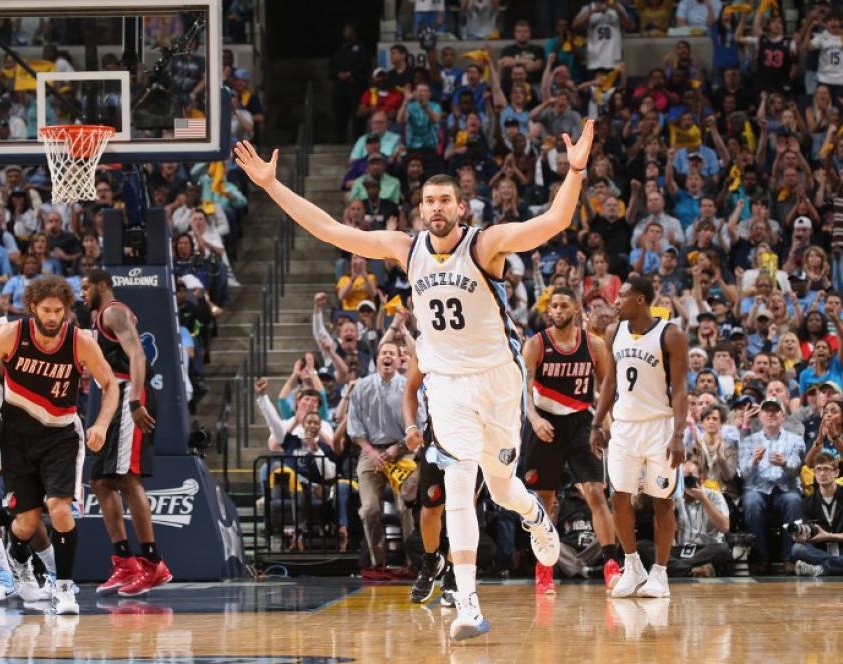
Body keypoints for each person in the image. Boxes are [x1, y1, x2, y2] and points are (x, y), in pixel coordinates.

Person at [233, 120, 594, 642]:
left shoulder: (485, 244)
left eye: (446, 199)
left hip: (495, 379)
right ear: (420, 209)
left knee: (501, 486)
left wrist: (576, 170)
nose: (437, 208)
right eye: (429, 201)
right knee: (458, 482)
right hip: (445, 382)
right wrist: (271, 185)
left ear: (461, 207)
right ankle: (467, 602)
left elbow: (555, 221)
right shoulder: (406, 247)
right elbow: (331, 231)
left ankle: (536, 515)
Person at [0, 276, 120, 615]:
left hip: (61, 435)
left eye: (59, 311)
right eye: (46, 310)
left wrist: (100, 424)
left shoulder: (79, 341)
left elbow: (110, 383)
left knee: (59, 509)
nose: (53, 317)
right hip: (17, 438)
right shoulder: (12, 334)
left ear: (67, 311)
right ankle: (19, 563)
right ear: (32, 309)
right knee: (24, 523)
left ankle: (64, 589)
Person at [590, 276, 689, 599]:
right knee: (619, 495)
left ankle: (660, 573)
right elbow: (609, 383)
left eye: (623, 296)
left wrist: (678, 434)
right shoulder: (613, 333)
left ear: (641, 301)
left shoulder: (670, 335)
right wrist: (596, 423)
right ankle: (632, 567)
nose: (616, 302)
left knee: (663, 500)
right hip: (624, 427)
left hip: (659, 426)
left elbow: (681, 389)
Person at [522, 286, 618, 594]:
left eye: (564, 305)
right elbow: (521, 390)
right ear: (548, 311)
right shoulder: (536, 344)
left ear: (577, 310)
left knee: (596, 495)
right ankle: (544, 569)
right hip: (545, 423)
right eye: (554, 306)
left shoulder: (594, 345)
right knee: (545, 503)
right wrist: (534, 420)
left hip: (580, 422)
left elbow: (605, 389)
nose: (558, 310)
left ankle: (611, 566)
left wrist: (606, 424)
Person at [81, 269, 171, 597]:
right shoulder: (97, 319)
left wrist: (134, 398)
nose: (82, 293)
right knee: (101, 480)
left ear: (102, 286)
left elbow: (136, 353)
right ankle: (124, 560)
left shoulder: (114, 311)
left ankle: (152, 563)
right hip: (113, 396)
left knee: (127, 479)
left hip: (128, 394)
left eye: (86, 286)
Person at [0, 306, 58, 603]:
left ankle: (6, 579)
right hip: (21, 442)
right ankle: (55, 578)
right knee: (25, 514)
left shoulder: (10, 360)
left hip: (27, 443)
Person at [346, 341, 414, 577]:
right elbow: (354, 428)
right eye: (383, 352)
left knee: (406, 507)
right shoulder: (362, 387)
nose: (387, 356)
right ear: (377, 358)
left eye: (392, 353)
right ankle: (377, 560)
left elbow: (420, 424)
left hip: (403, 451)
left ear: (398, 360)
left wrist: (398, 447)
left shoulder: (408, 387)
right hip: (370, 451)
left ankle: (413, 561)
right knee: (369, 509)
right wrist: (369, 450)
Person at [404, 352, 457, 606]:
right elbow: (410, 389)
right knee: (430, 510)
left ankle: (455, 574)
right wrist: (410, 426)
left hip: (472, 435)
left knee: (462, 508)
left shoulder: (476, 341)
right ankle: (430, 561)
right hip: (436, 435)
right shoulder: (426, 346)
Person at [739, 398, 806, 573]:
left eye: (775, 411)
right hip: (757, 488)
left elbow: (797, 469)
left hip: (786, 487)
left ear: (783, 416)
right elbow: (744, 475)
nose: (770, 414)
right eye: (766, 411)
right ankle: (761, 557)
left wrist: (785, 463)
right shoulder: (749, 441)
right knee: (751, 501)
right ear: (759, 416)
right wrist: (754, 462)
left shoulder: (796, 440)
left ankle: (789, 557)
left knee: (793, 500)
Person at [638, 460, 731, 577]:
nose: (687, 483)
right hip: (679, 550)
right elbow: (662, 530)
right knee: (642, 546)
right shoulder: (673, 497)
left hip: (704, 550)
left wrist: (704, 500)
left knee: (723, 549)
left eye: (690, 478)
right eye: (683, 479)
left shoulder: (713, 495)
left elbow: (725, 527)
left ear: (701, 478)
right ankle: (691, 570)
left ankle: (676, 569)